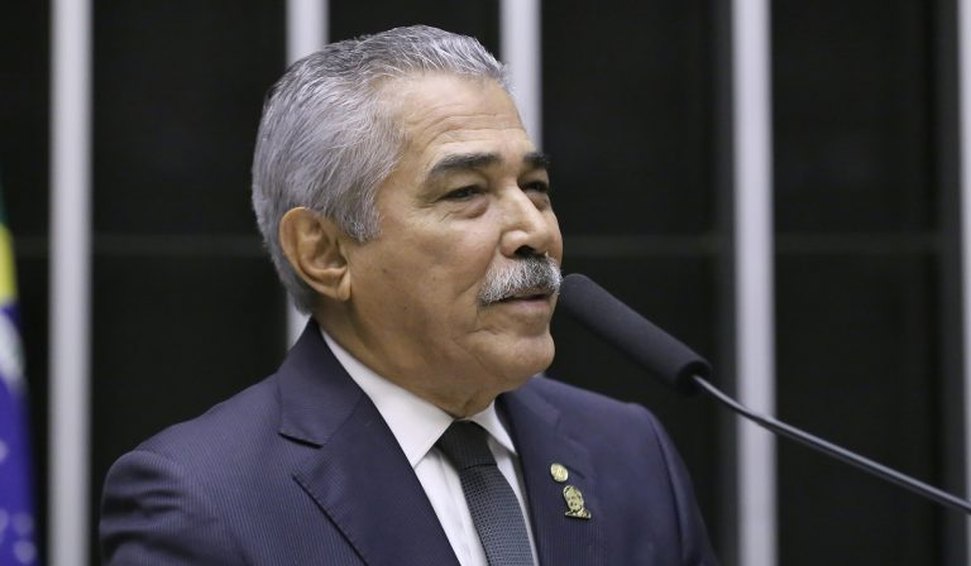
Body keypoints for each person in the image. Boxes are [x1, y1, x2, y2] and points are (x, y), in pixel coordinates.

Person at [100, 25, 716, 565]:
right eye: (466, 192)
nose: (535, 230)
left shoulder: (630, 452)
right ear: (325, 253)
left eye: (535, 186)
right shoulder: (203, 499)